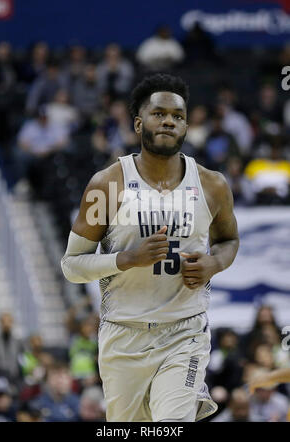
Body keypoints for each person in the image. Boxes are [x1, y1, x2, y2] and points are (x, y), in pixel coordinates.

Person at [61, 73, 239, 422]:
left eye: (178, 116)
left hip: (184, 331)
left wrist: (213, 264)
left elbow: (229, 241)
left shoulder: (213, 185)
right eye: (160, 113)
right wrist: (127, 259)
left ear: (186, 126)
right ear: (139, 123)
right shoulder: (107, 184)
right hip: (123, 333)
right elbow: (72, 265)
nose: (169, 120)